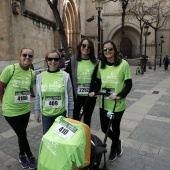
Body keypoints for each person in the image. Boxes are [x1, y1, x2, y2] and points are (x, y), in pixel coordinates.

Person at [89, 40, 132, 161]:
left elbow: (128, 84)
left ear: (115, 50)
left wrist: (119, 95)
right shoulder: (100, 65)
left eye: (110, 49)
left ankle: (114, 147)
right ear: (102, 51)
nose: (108, 51)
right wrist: (94, 91)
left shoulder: (123, 64)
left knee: (115, 126)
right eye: (105, 49)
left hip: (117, 104)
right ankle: (117, 141)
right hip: (104, 102)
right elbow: (97, 81)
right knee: (104, 127)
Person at [0, 48, 37, 169]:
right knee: (22, 134)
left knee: (22, 134)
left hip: (25, 110)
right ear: (20, 56)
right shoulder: (11, 69)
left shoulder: (31, 72)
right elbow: (1, 86)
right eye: (25, 55)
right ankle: (30, 156)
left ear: (32, 58)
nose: (27, 57)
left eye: (30, 56)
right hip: (10, 110)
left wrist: (33, 94)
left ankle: (21, 155)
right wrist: (1, 102)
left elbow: (31, 87)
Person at [34, 49, 74, 134]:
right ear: (46, 60)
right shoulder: (40, 77)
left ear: (59, 61)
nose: (53, 61)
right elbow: (38, 96)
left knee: (60, 140)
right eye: (50, 59)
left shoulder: (65, 76)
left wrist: (70, 114)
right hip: (46, 115)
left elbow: (70, 96)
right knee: (48, 139)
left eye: (56, 59)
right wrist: (37, 112)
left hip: (61, 115)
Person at [65, 38, 98, 127]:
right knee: (75, 121)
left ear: (91, 49)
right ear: (80, 47)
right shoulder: (73, 61)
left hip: (89, 97)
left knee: (87, 121)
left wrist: (95, 91)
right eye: (83, 46)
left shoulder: (96, 63)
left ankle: (85, 139)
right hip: (76, 97)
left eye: (89, 46)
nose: (86, 48)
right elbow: (65, 75)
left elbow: (99, 80)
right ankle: (76, 140)